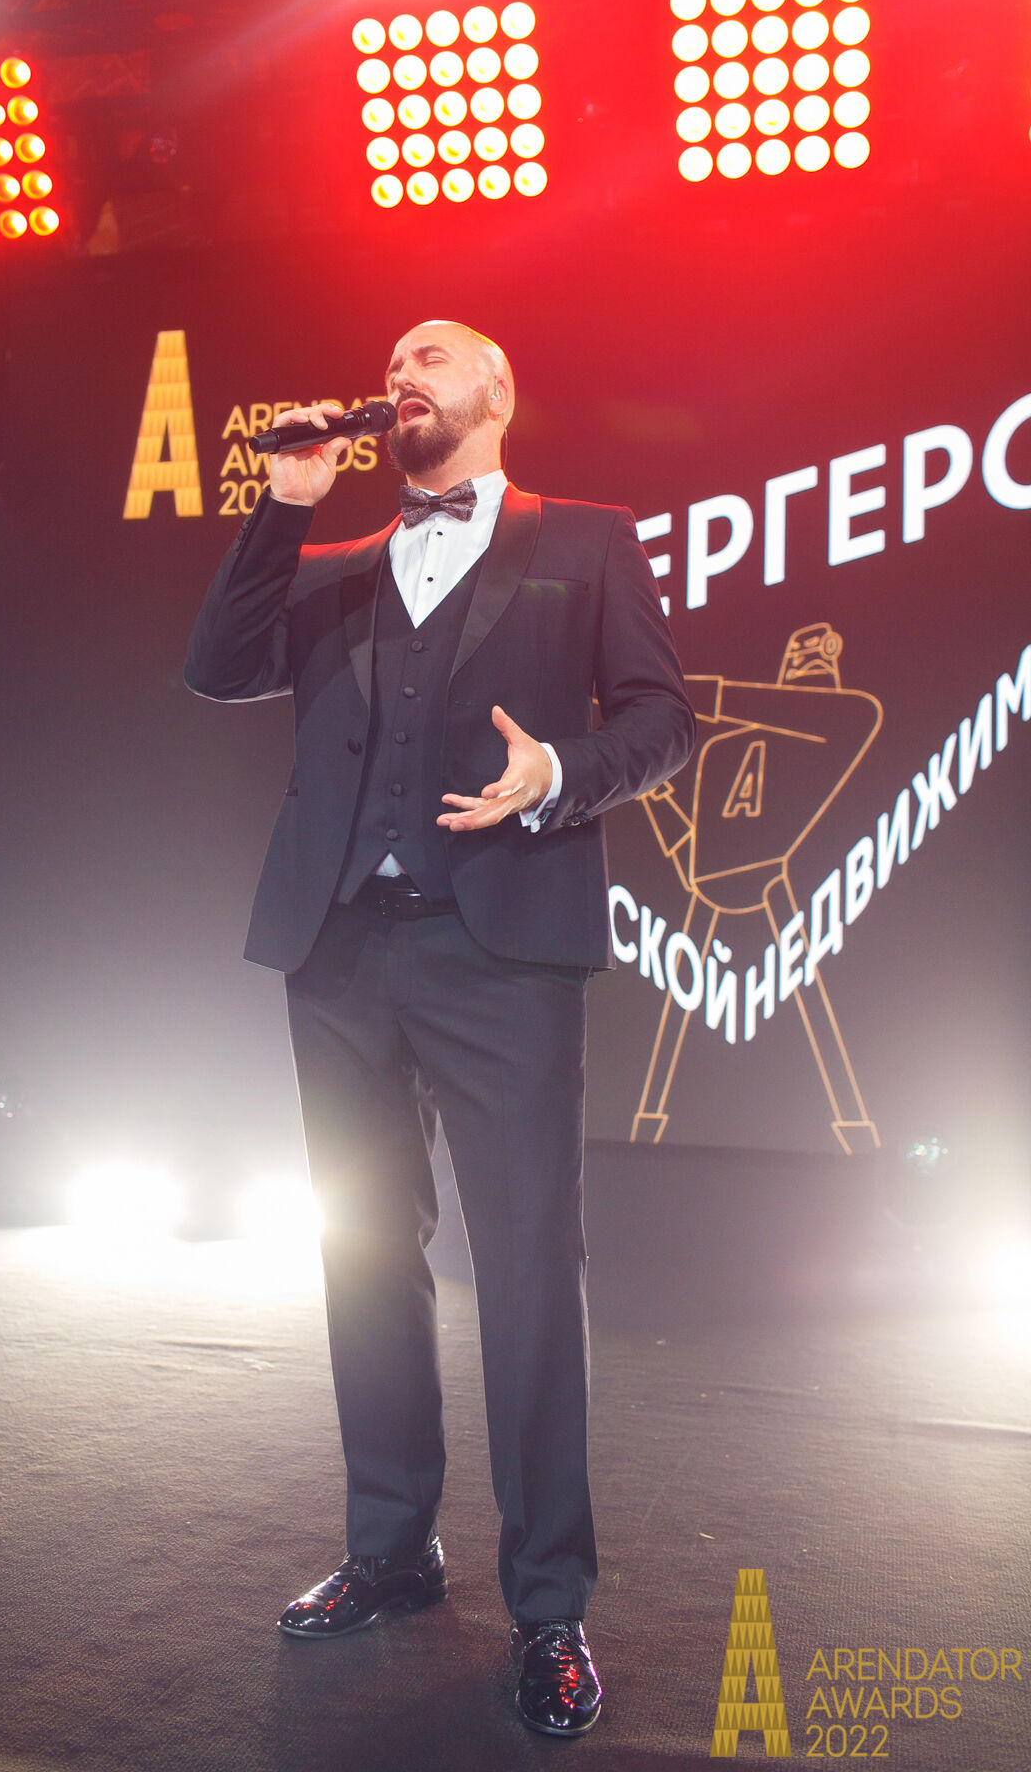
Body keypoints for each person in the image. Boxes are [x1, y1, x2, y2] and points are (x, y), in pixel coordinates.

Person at [185, 320, 695, 1737]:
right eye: (393, 357)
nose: (404, 370)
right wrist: (283, 505)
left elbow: (663, 720)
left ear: (495, 391)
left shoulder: (586, 542)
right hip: (340, 948)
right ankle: (392, 1547)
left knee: (526, 1272)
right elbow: (217, 667)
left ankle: (550, 1607)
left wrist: (560, 774)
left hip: (503, 955)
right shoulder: (334, 565)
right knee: (363, 1253)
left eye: (436, 353)